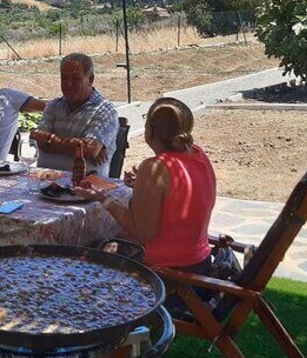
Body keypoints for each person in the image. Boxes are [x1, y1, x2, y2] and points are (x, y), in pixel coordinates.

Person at [74, 97, 216, 275]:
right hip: (201, 266)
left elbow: (140, 233)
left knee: (85, 259)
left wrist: (104, 198)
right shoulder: (198, 154)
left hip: (170, 278)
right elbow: (176, 199)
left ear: (150, 130)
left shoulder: (155, 167)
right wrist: (142, 185)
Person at [30, 53, 118, 177]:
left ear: (90, 79)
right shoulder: (54, 105)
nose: (68, 84)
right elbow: (40, 142)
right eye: (64, 78)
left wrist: (50, 139)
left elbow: (90, 149)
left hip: (85, 190)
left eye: (76, 78)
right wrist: (80, 149)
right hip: (46, 185)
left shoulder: (105, 110)